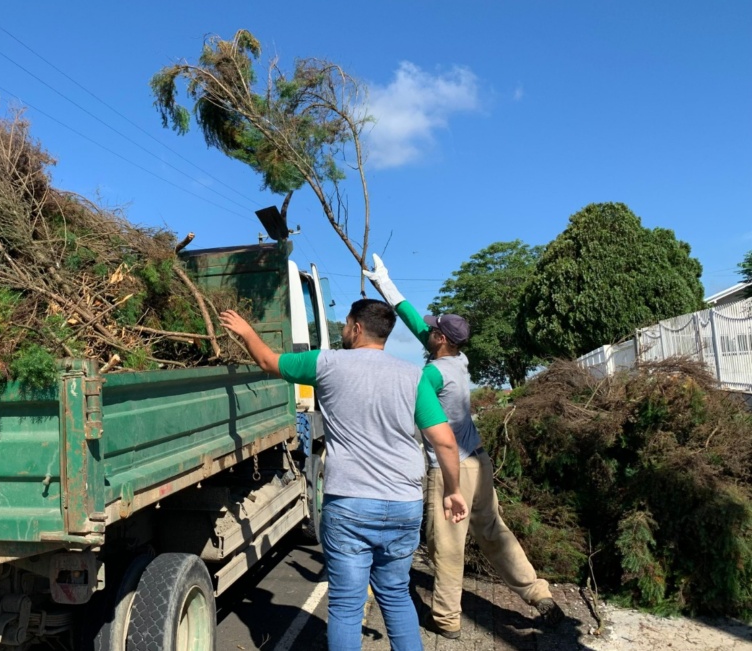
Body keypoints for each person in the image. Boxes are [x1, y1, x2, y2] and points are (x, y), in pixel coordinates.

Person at [219, 299, 468, 651]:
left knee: (347, 606)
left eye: (347, 324)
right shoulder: (413, 375)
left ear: (356, 327)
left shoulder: (326, 363)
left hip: (349, 506)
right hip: (403, 505)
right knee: (396, 594)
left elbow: (267, 361)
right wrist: (452, 490)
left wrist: (246, 331)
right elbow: (444, 441)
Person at [363, 254, 564, 639]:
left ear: (441, 340)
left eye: (434, 330)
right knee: (494, 532)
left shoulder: (430, 374)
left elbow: (412, 420)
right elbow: (417, 323)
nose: (430, 330)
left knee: (448, 548)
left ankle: (446, 620)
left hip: (449, 471)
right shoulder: (459, 360)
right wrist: (385, 284)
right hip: (480, 464)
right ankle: (538, 594)